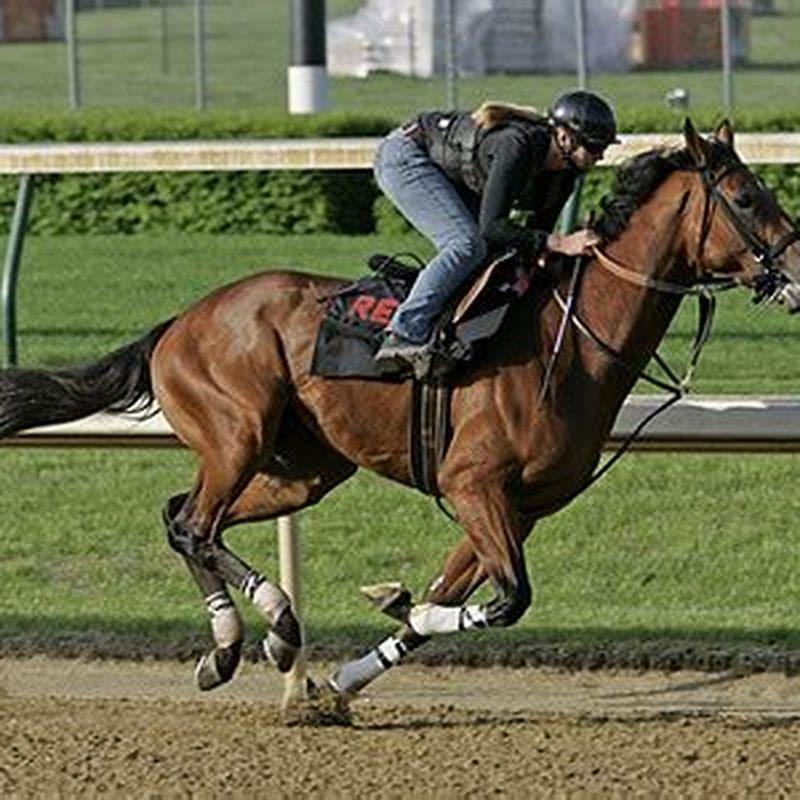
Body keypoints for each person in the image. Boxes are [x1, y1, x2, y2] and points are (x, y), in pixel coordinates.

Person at [373, 89, 619, 367]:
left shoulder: (566, 173)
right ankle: (404, 334)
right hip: (406, 157)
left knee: (498, 256)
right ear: (565, 137)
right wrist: (561, 242)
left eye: (604, 149)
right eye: (595, 147)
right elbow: (493, 228)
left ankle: (450, 326)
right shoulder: (515, 146)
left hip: (449, 170)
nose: (600, 157)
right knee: (466, 245)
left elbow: (533, 238)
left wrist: (549, 254)